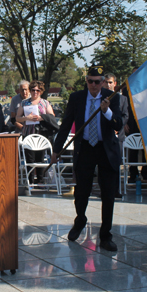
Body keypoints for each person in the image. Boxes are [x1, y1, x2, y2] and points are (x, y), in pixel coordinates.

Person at [51, 66, 122, 252]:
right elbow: (66, 124)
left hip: (106, 150)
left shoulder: (113, 98)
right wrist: (56, 149)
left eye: (97, 81)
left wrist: (106, 112)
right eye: (90, 81)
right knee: (81, 192)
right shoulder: (77, 98)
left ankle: (106, 236)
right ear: (86, 81)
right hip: (85, 149)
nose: (93, 85)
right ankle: (80, 219)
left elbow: (119, 124)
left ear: (103, 82)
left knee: (108, 195)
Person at [15, 80, 57, 180]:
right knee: (30, 159)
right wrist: (26, 118)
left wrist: (41, 117)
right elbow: (17, 118)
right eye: (33, 90)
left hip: (41, 134)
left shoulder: (45, 102)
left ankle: (40, 180)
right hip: (28, 133)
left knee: (40, 158)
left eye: (38, 90)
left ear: (41, 91)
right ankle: (30, 181)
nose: (35, 92)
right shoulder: (24, 102)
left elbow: (52, 116)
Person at [103, 73, 128, 199]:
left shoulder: (122, 99)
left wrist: (119, 127)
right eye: (106, 82)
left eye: (110, 82)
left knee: (116, 164)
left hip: (118, 136)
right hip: (103, 136)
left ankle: (115, 189)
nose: (108, 84)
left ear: (115, 84)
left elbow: (125, 115)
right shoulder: (100, 98)